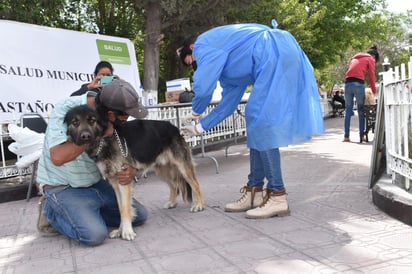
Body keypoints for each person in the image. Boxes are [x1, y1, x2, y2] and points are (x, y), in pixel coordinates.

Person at [177, 20, 324, 219]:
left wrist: (195, 111)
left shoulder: (203, 43)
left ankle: (278, 195)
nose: (196, 66)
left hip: (272, 51)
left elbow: (203, 87)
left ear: (192, 48)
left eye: (193, 62)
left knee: (261, 122)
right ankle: (254, 191)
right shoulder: (232, 65)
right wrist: (199, 127)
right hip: (277, 53)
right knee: (255, 122)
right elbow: (228, 104)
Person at [36, 79, 148, 246]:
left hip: (94, 183)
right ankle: (51, 213)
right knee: (94, 234)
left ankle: (85, 212)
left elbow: (125, 151)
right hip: (63, 186)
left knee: (139, 216)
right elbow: (58, 157)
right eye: (125, 115)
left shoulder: (111, 118)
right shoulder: (65, 109)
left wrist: (132, 169)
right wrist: (97, 133)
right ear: (110, 114)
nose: (127, 119)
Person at [343, 45, 379, 143]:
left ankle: (346, 137)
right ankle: (362, 136)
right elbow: (371, 75)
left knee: (348, 110)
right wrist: (374, 91)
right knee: (361, 110)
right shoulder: (370, 59)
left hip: (347, 83)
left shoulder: (355, 58)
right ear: (374, 56)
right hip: (358, 84)